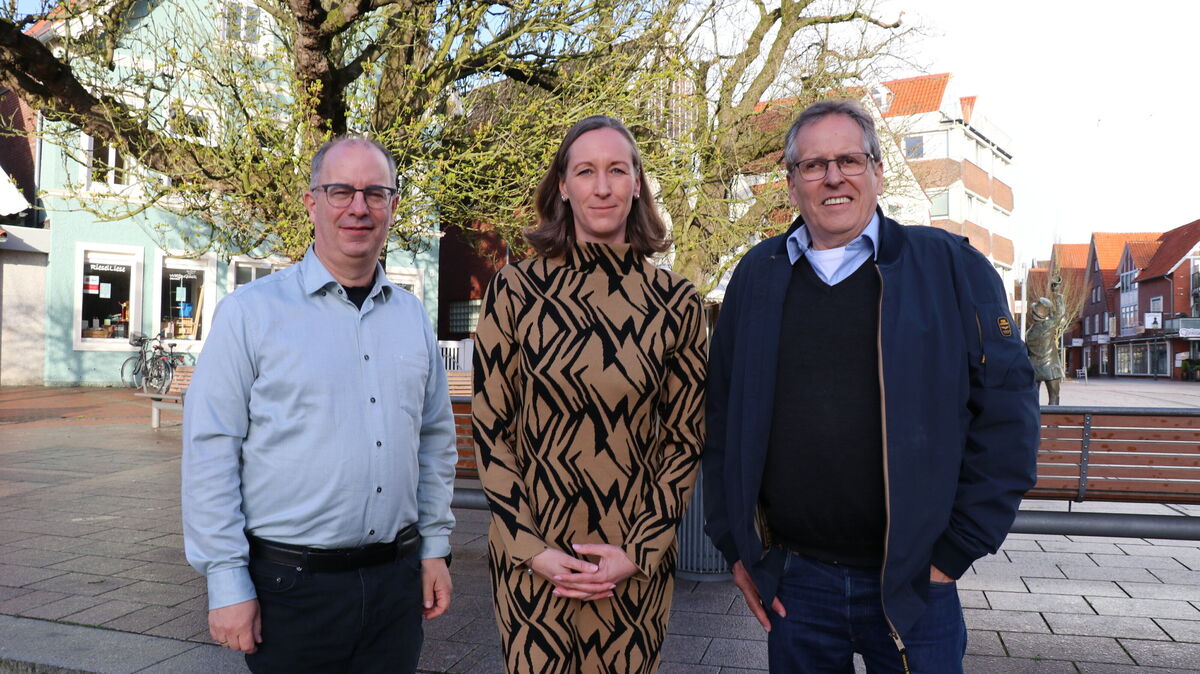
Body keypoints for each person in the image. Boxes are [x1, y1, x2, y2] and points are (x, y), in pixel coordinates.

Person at [703, 99, 1039, 672]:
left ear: (877, 172)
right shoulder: (758, 277)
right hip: (796, 583)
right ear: (791, 184)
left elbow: (1007, 412)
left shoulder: (949, 267)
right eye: (813, 165)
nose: (833, 177)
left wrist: (955, 551)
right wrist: (735, 546)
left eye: (849, 160)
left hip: (915, 585)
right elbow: (722, 416)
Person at [182, 136, 457, 673]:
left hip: (394, 589)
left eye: (376, 193)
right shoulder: (250, 314)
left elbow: (434, 439)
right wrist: (225, 580)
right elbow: (211, 451)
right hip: (291, 591)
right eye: (340, 191)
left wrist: (435, 547)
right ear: (312, 202)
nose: (359, 207)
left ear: (393, 205)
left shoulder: (411, 317)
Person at [472, 115, 707, 673]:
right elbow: (491, 430)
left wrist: (638, 551)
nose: (602, 187)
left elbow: (684, 439)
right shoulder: (516, 289)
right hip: (534, 560)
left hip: (633, 563)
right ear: (563, 186)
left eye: (616, 171)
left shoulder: (676, 302)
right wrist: (532, 549)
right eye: (585, 171)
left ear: (637, 185)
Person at [1025, 276, 1067, 404]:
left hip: (1034, 368)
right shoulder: (1047, 327)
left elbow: (1026, 352)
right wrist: (1056, 293)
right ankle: (1052, 424)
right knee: (1054, 397)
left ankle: (1034, 422)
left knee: (1033, 398)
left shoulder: (1029, 332)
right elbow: (1060, 313)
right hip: (1050, 368)